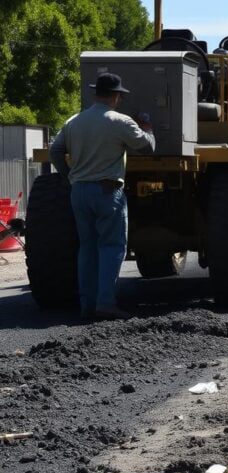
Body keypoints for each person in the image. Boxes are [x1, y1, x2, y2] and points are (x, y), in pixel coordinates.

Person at [49, 73, 155, 319]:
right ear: (117, 96)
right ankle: (105, 303)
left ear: (96, 93)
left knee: (87, 247)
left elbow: (55, 151)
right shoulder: (120, 121)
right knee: (111, 246)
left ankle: (87, 304)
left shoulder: (74, 121)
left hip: (79, 191)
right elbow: (147, 147)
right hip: (107, 191)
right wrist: (147, 128)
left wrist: (68, 176)